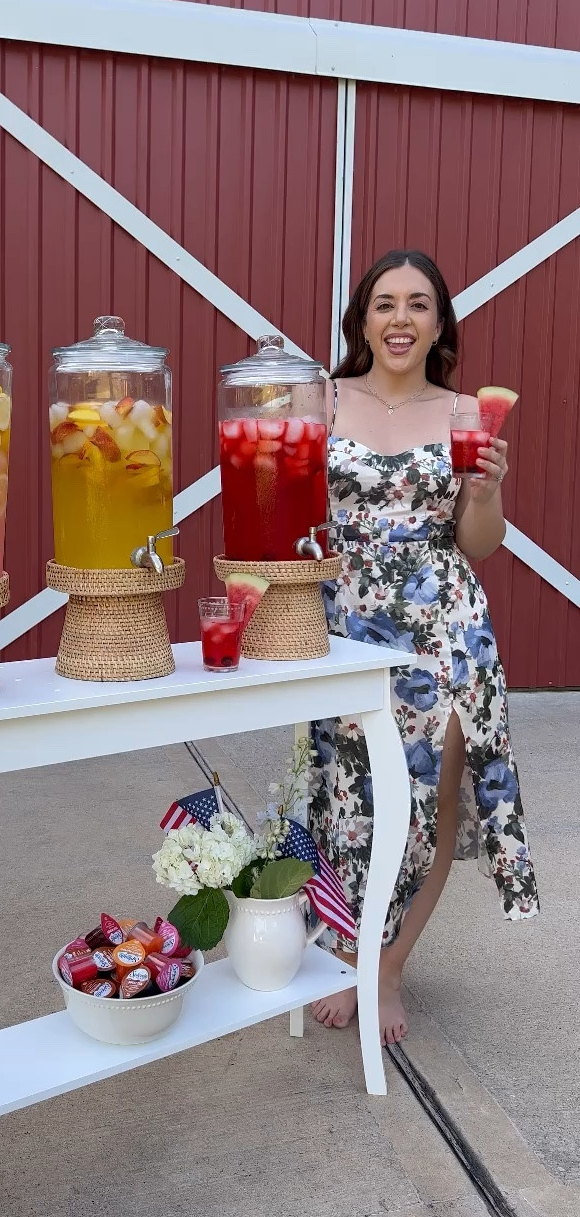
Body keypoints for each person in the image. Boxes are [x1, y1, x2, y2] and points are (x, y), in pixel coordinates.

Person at [308, 249, 539, 1045]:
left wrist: (485, 491)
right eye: (383, 303)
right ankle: (346, 948)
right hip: (341, 624)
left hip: (444, 631)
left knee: (429, 806)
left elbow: (479, 544)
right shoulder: (321, 398)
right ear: (361, 319)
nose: (399, 319)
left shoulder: (466, 411)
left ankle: (389, 968)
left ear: (439, 322)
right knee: (351, 798)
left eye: (417, 304)